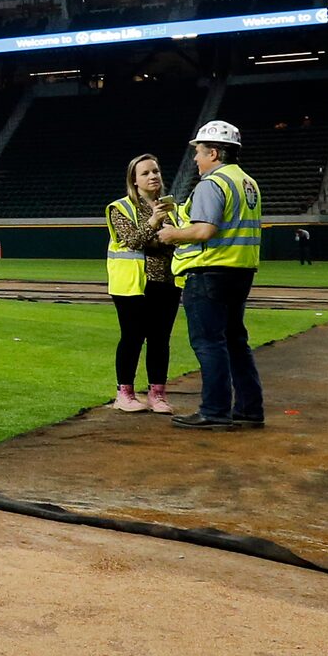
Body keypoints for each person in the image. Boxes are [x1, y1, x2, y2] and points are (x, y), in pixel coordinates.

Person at [153, 118, 265, 431]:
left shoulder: (213, 183)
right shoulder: (246, 182)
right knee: (234, 340)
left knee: (209, 342)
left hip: (210, 272)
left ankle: (215, 410)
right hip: (240, 270)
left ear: (214, 153)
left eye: (200, 152)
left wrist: (172, 235)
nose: (196, 158)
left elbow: (204, 230)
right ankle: (249, 409)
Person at [102, 153, 185, 414]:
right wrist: (154, 222)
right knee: (133, 337)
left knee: (160, 339)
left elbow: (181, 239)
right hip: (133, 285)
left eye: (156, 171)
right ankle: (124, 392)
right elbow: (132, 241)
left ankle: (157, 394)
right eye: (146, 173)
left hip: (168, 282)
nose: (153, 176)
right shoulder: (120, 208)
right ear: (134, 181)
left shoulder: (176, 209)